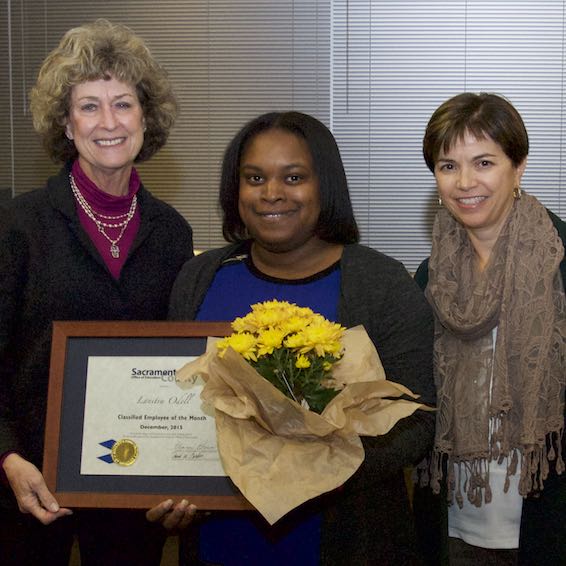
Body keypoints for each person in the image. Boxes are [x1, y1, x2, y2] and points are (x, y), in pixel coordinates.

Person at [169, 111, 436, 565]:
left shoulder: (381, 283)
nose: (272, 193)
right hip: (220, 538)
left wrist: (313, 471)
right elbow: (171, 402)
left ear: (324, 186)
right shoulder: (200, 278)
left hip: (346, 538)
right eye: (254, 177)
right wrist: (166, 483)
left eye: (294, 177)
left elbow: (417, 421)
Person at [0, 19, 196, 566]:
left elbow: (181, 364)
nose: (108, 122)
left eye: (123, 104)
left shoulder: (172, 232)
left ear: (145, 117)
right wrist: (8, 457)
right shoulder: (18, 226)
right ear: (65, 123)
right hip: (28, 484)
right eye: (88, 106)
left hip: (134, 486)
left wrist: (185, 467)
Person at [414, 93, 566, 565]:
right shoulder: (429, 275)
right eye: (447, 166)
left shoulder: (560, 260)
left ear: (518, 167)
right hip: (454, 515)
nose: (465, 182)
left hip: (548, 514)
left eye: (483, 162)